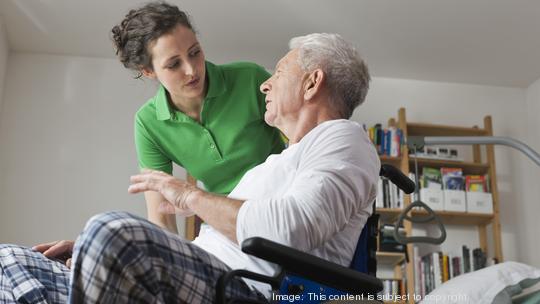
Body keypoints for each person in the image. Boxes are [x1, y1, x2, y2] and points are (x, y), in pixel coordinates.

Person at [0, 33, 379, 303]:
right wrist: (92, 255)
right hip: (201, 271)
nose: (265, 84)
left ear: (313, 83)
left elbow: (287, 231)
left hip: (246, 288)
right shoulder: (274, 164)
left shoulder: (344, 139)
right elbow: (200, 244)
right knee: (12, 260)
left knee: (109, 230)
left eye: (279, 73)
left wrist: (189, 194)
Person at [112, 1, 284, 232]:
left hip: (282, 203)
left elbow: (302, 139)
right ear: (149, 71)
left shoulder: (250, 78)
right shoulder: (148, 123)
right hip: (226, 222)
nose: (192, 70)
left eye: (194, 52)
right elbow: (161, 217)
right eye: (174, 64)